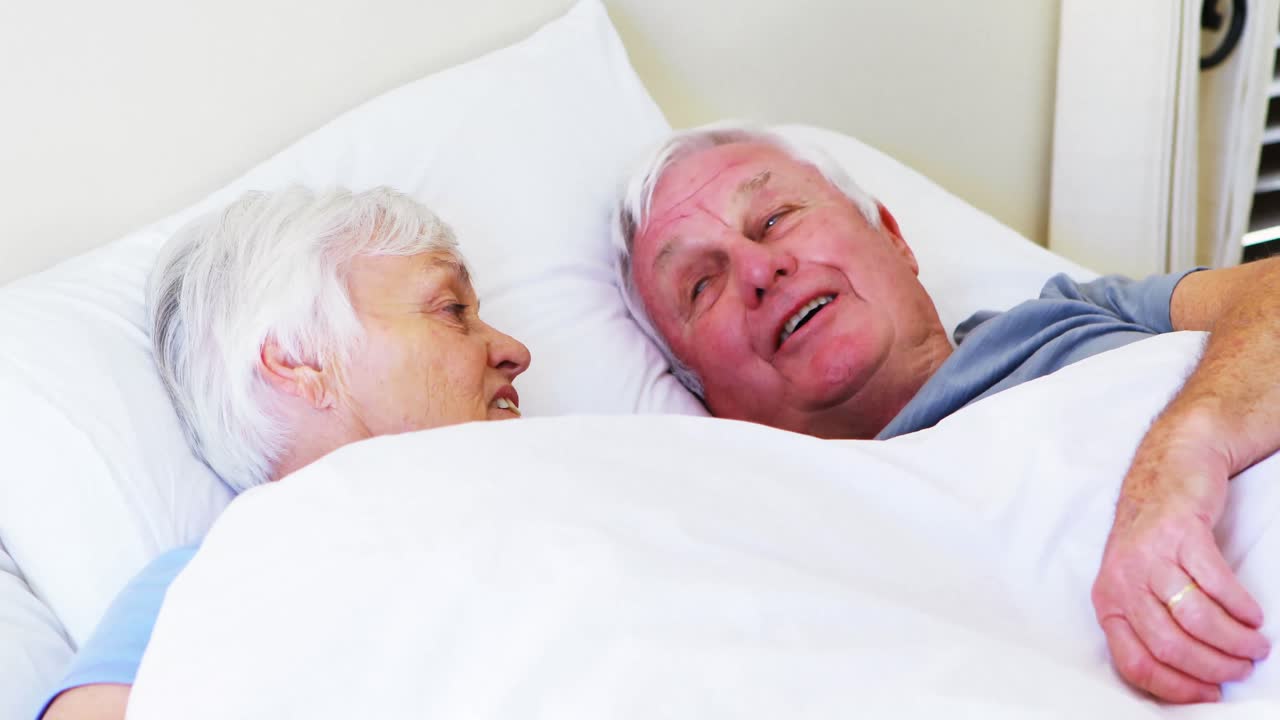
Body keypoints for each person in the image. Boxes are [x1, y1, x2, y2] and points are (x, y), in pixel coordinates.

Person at [612, 124, 1280, 704]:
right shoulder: (783, 540)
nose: (759, 268)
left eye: (775, 217)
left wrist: (1186, 454)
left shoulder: (1072, 312)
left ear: (894, 238)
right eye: (703, 284)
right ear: (703, 395)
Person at [39, 186, 531, 719]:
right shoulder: (219, 580)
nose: (515, 352)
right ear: (301, 358)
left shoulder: (566, 478)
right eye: (452, 310)